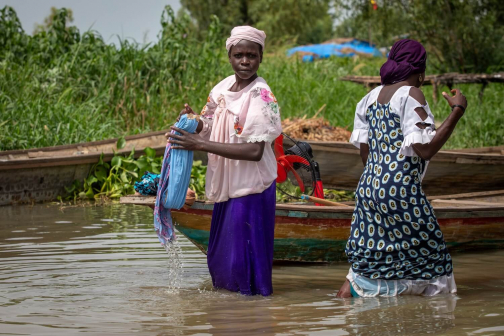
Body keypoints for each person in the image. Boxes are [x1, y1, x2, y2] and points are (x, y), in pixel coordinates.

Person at [337, 39, 467, 298]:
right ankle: (438, 315)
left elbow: (366, 153)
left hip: (369, 187)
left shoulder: (369, 98)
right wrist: (457, 111)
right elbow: (425, 149)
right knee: (433, 255)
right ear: (420, 71)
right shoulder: (411, 94)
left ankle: (350, 296)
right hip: (401, 190)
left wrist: (383, 179)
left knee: (373, 254)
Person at [167, 26, 282, 296]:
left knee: (243, 263)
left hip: (251, 189)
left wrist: (201, 144)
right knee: (220, 259)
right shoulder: (221, 89)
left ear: (261, 57)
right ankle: (229, 318)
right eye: (239, 55)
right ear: (229, 56)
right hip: (225, 186)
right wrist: (194, 123)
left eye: (251, 55)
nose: (245, 61)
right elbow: (208, 123)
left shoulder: (261, 96)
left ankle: (251, 317)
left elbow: (255, 151)